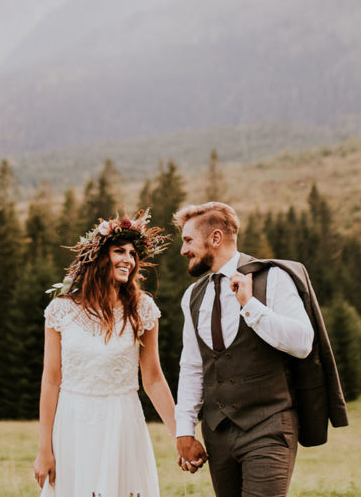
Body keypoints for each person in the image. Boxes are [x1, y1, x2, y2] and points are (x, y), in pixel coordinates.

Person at [172, 202, 316, 497]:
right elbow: (193, 367)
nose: (183, 250)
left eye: (188, 240)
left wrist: (250, 307)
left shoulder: (273, 278)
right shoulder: (192, 296)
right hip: (218, 434)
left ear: (215, 238)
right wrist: (184, 431)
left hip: (269, 427)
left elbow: (303, 343)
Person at [33, 209, 178, 496]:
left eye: (133, 253)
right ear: (99, 257)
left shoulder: (142, 309)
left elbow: (153, 378)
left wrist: (181, 435)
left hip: (121, 423)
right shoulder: (61, 310)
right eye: (119, 251)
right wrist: (44, 449)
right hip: (73, 423)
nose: (129, 259)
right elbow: (51, 380)